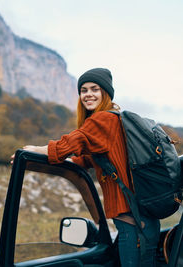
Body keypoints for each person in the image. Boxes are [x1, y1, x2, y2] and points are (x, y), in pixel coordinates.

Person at [12, 68, 160, 267]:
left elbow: (71, 143)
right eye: (83, 90)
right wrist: (60, 161)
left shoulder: (103, 120)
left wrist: (32, 150)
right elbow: (86, 159)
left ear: (105, 93)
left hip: (133, 226)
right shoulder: (114, 121)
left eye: (95, 89)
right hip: (140, 223)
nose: (88, 94)